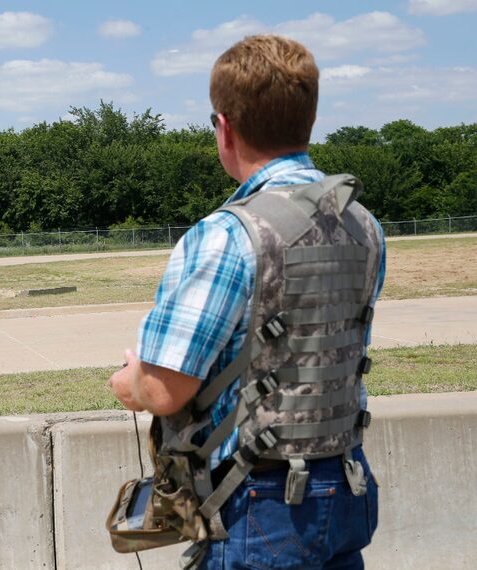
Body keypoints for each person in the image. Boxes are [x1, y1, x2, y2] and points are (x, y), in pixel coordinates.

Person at [109, 34, 386, 569]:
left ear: (225, 127)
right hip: (347, 484)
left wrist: (129, 380)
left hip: (257, 501)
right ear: (307, 119)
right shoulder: (363, 225)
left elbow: (166, 389)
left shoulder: (227, 235)